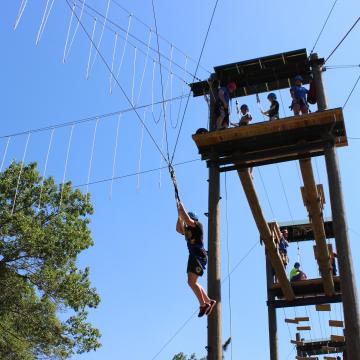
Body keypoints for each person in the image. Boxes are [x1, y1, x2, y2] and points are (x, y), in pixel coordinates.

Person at [176, 201, 216, 317]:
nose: (188, 225)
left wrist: (182, 208)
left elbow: (187, 220)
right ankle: (208, 301)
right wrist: (179, 215)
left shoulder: (198, 226)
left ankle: (203, 304)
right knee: (192, 282)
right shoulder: (188, 230)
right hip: (194, 255)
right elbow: (178, 229)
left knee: (191, 282)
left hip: (198, 255)